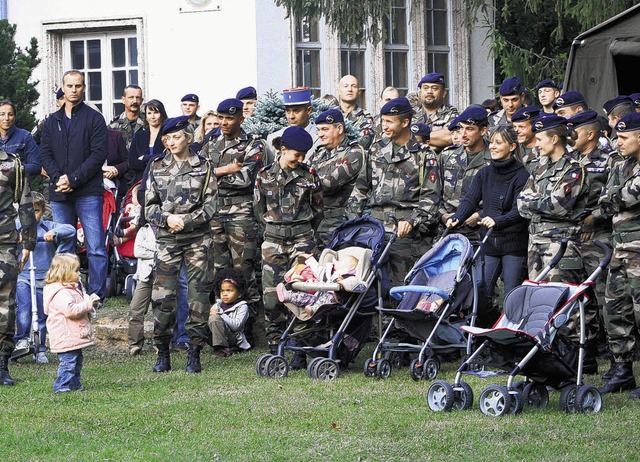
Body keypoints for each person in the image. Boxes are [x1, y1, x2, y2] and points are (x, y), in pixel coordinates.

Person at [145, 115, 218, 373]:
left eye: (176, 137)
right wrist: (167, 219)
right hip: (167, 240)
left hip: (198, 239)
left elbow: (211, 205)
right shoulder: (157, 167)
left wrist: (185, 220)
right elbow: (149, 208)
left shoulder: (204, 166)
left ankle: (194, 352)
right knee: (163, 297)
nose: (172, 142)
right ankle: (162, 352)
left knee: (198, 296)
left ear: (188, 138)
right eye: (167, 138)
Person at [446, 125, 529, 324]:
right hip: (489, 244)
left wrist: (498, 221)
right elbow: (470, 200)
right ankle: (487, 330)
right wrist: (457, 217)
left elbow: (520, 210)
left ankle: (513, 337)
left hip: (513, 244)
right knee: (481, 289)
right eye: (491, 142)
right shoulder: (484, 173)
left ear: (512, 146)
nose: (492, 147)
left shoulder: (522, 175)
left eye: (498, 143)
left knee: (512, 293)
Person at [39, 70, 109, 303]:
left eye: (78, 86)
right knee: (63, 241)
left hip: (88, 190)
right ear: (63, 87)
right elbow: (45, 153)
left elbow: (98, 155)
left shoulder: (94, 119)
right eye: (69, 86)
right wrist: (60, 178)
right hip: (60, 192)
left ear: (84, 88)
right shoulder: (52, 121)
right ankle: (66, 290)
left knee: (96, 244)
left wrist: (74, 179)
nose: (74, 90)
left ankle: (97, 293)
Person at [348, 97, 433, 288]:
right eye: (382, 120)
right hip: (374, 228)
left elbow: (430, 200)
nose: (383, 126)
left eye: (389, 121)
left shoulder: (424, 155)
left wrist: (411, 221)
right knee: (368, 287)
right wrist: (352, 223)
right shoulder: (376, 150)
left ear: (405, 122)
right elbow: (360, 189)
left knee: (401, 288)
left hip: (404, 233)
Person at [254, 126, 323, 357]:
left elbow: (318, 209)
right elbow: (258, 209)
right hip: (273, 241)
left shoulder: (309, 175)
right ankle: (275, 346)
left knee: (303, 293)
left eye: (303, 155)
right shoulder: (264, 175)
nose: (300, 159)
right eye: (296, 154)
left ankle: (301, 348)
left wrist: (302, 233)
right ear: (283, 150)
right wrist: (274, 230)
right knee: (272, 296)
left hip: (302, 240)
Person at [201, 98, 264, 344]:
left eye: (229, 118)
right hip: (215, 214)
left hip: (241, 215)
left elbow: (246, 179)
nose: (224, 123)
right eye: (221, 118)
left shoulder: (253, 144)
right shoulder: (210, 143)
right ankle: (221, 332)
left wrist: (213, 174)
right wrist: (225, 170)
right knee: (218, 273)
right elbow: (199, 175)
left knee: (244, 272)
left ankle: (252, 332)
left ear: (240, 118)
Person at [568, 109, 620, 374]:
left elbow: (615, 197)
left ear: (590, 134)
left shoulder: (610, 160)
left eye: (574, 131)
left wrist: (594, 219)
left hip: (599, 239)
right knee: (579, 301)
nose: (569, 135)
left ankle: (616, 360)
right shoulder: (569, 160)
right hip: (573, 239)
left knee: (605, 302)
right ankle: (584, 358)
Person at [597, 112, 640, 397]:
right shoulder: (622, 166)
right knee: (615, 311)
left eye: (624, 137)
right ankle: (623, 370)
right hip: (621, 249)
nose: (618, 142)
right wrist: (615, 196)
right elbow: (604, 201)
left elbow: (626, 196)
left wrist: (614, 196)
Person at [14, 192, 76, 363]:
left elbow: (70, 229)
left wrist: (54, 233)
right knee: (24, 310)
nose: (33, 216)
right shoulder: (17, 226)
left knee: (42, 316)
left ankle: (40, 348)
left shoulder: (48, 226)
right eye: (28, 211)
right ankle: (21, 340)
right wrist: (16, 238)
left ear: (42, 211)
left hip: (44, 279)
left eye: (36, 211)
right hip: (23, 277)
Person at [0, 144, 37, 385]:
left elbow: (25, 203)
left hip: (5, 241)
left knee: (6, 303)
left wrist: (28, 242)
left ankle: (2, 364)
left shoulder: (11, 164)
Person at [429, 106, 492, 240]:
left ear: (483, 130)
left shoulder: (493, 158)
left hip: (479, 230)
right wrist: (442, 215)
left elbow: (504, 198)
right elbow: (433, 192)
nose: (463, 134)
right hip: (448, 229)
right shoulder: (447, 155)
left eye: (469, 129)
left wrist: (479, 215)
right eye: (461, 128)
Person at [306, 108, 364, 246]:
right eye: (318, 130)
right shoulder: (319, 153)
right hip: (315, 222)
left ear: (339, 128)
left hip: (338, 224)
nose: (320, 134)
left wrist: (306, 180)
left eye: (325, 129)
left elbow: (329, 183)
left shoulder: (354, 152)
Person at [43, 253, 99, 393]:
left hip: (73, 335)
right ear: (65, 273)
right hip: (65, 335)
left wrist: (91, 302)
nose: (79, 273)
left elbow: (81, 303)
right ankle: (62, 386)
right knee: (68, 363)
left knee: (76, 362)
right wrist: (87, 305)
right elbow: (71, 310)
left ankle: (75, 384)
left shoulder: (72, 289)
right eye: (76, 270)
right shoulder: (61, 293)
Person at [277, 254, 361, 317]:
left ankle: (314, 309)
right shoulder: (329, 272)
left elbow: (354, 283)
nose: (336, 262)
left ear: (349, 268)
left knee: (327, 299)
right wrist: (309, 259)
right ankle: (289, 296)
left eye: (340, 262)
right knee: (306, 297)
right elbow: (318, 270)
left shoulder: (349, 276)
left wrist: (343, 282)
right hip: (318, 294)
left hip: (334, 298)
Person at [127, 205, 155, 356]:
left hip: (164, 276)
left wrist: (149, 248)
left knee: (162, 310)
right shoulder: (143, 230)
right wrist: (157, 248)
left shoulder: (167, 230)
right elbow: (137, 251)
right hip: (145, 276)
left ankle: (160, 343)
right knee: (135, 309)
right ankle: (134, 344)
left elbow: (168, 251)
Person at [265, 87, 318, 164]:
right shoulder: (273, 137)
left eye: (296, 111)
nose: (291, 116)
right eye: (288, 111)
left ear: (308, 110)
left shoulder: (320, 136)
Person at [208, 268, 251, 357]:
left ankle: (222, 348)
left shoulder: (242, 306)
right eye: (222, 291)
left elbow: (236, 326)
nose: (225, 294)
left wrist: (220, 314)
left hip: (233, 338)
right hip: (218, 334)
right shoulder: (218, 304)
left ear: (239, 294)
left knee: (215, 318)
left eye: (229, 291)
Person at [0, 99, 41, 187]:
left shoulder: (25, 136)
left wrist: (15, 168)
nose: (6, 118)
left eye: (10, 114)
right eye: (2, 114)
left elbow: (36, 166)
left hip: (19, 192)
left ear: (14, 117)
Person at [127, 99, 168, 188]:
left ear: (162, 114)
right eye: (149, 113)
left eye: (156, 113)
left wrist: (145, 158)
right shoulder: (139, 136)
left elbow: (168, 158)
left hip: (164, 180)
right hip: (140, 181)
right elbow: (132, 162)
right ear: (145, 116)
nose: (152, 117)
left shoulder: (168, 136)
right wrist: (156, 158)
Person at [413, 73, 458, 149]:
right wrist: (435, 143)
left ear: (444, 93)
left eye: (434, 88)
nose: (429, 91)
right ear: (420, 92)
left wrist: (416, 137)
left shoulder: (451, 114)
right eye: (426, 88)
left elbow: (449, 137)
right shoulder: (411, 112)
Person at [337, 75, 375, 150]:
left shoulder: (365, 118)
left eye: (353, 86)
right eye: (345, 86)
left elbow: (364, 143)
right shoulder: (331, 116)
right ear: (339, 91)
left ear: (359, 91)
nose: (350, 89)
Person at [108, 84, 145, 150]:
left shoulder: (149, 123)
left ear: (142, 101)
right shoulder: (114, 126)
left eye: (138, 97)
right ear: (123, 100)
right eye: (131, 97)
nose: (135, 101)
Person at [511, 105, 541, 172]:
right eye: (514, 127)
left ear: (534, 127)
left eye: (522, 127)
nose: (516, 131)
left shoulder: (544, 150)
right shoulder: (512, 149)